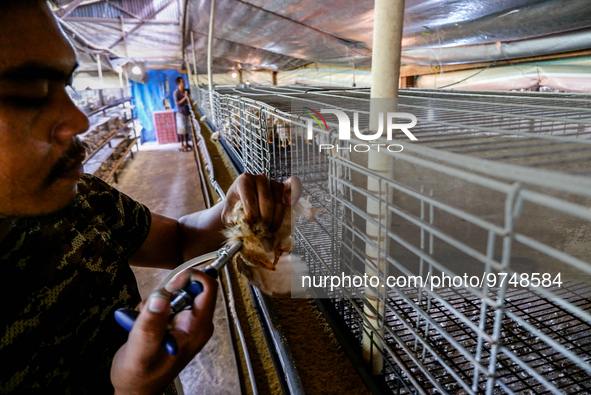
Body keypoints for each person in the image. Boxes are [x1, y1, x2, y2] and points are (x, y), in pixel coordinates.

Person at [0, 1, 301, 394]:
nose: (79, 121)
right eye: (29, 93)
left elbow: (178, 240)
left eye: (65, 86)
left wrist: (229, 211)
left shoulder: (82, 198)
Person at [173, 77, 192, 152]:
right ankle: (182, 144)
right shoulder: (176, 93)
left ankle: (187, 143)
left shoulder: (186, 90)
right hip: (181, 113)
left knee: (187, 129)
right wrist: (185, 97)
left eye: (183, 81)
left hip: (187, 112)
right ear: (178, 83)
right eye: (182, 82)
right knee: (182, 129)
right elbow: (177, 103)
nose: (183, 83)